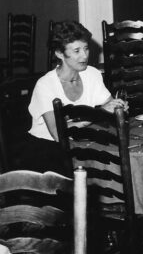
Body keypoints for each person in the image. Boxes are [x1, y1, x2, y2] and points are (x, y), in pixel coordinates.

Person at [19, 20, 126, 172]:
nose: (84, 56)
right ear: (59, 54)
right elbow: (58, 134)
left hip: (79, 143)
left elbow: (111, 108)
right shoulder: (45, 85)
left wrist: (119, 107)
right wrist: (99, 113)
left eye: (86, 48)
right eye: (77, 51)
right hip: (46, 152)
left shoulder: (92, 74)